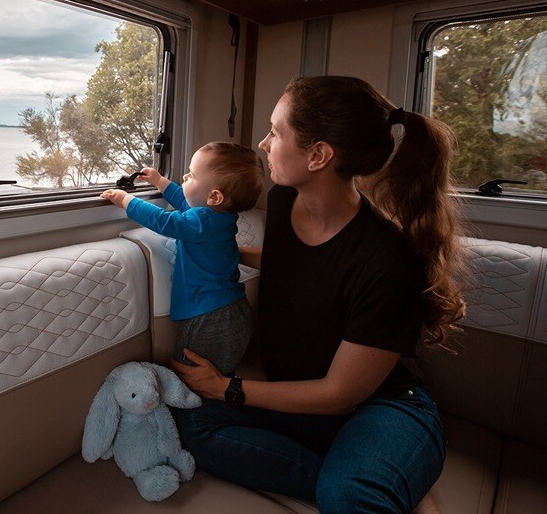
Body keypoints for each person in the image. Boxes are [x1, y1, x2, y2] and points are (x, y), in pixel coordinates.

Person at [171, 76, 467, 513]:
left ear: (318, 155)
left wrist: (227, 388)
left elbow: (339, 394)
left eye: (276, 132)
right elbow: (298, 266)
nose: (263, 142)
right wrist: (217, 251)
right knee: (191, 423)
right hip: (301, 403)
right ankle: (373, 478)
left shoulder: (388, 261)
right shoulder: (283, 199)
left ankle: (365, 477)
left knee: (347, 497)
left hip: (378, 406)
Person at [101, 142, 264, 375]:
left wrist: (127, 201)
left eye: (192, 175)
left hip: (209, 315)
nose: (185, 176)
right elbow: (187, 201)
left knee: (189, 372)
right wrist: (160, 181)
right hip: (234, 308)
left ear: (215, 196)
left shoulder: (202, 222)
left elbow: (166, 222)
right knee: (219, 371)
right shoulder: (219, 217)